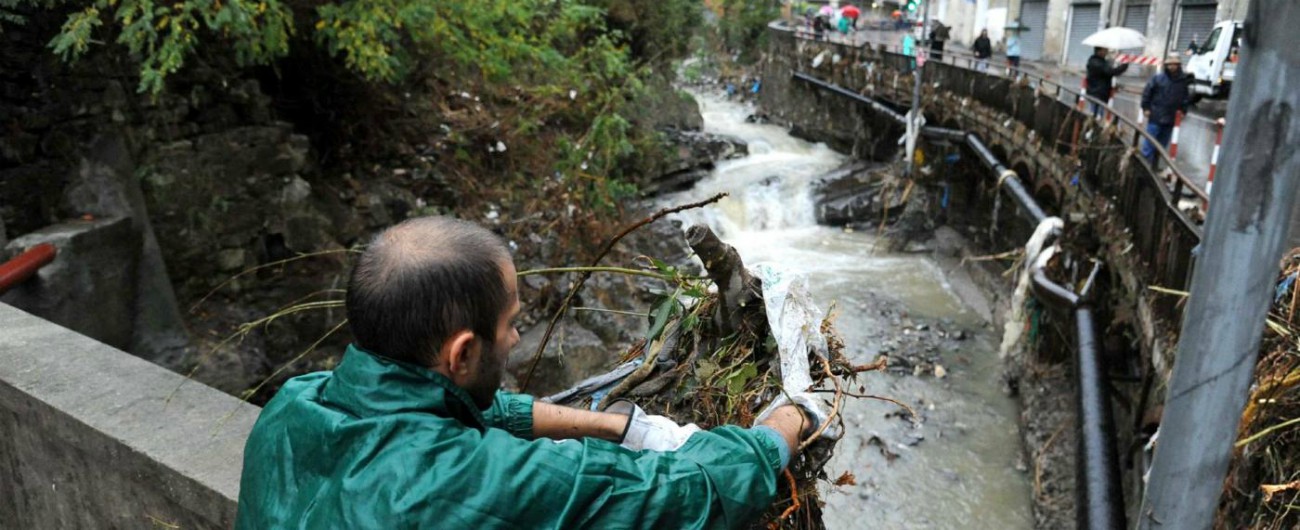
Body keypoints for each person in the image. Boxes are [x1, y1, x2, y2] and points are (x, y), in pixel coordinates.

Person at [235, 216, 825, 529]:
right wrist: (788, 420)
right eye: (511, 324)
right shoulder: (472, 482)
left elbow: (462, 411)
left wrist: (617, 427)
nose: (518, 337)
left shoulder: (293, 405)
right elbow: (685, 492)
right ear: (462, 354)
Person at [1140, 55, 1197, 166]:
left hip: (1171, 118)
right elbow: (1147, 93)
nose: (1172, 67)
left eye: (1174, 64)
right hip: (1156, 115)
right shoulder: (1158, 78)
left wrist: (1183, 111)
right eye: (1169, 64)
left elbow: (1184, 98)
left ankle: (1154, 164)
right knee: (1150, 142)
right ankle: (1144, 164)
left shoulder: (1182, 82)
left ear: (1178, 66)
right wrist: (1146, 108)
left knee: (1161, 144)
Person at [1085, 47, 1129, 118]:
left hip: (1097, 92)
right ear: (1099, 51)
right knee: (1096, 115)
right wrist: (1124, 66)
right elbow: (1110, 72)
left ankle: (1093, 125)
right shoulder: (1097, 63)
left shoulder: (1096, 61)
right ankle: (1093, 127)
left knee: (1096, 113)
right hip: (1098, 93)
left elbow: (1106, 74)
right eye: (1105, 50)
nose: (1106, 52)